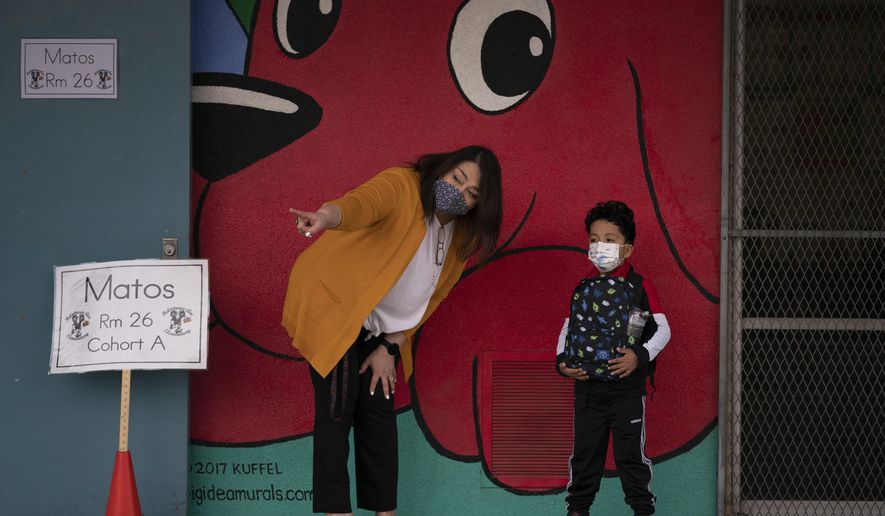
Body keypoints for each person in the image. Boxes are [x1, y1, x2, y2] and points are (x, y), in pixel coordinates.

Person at [282, 146, 503, 516]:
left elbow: (435, 295)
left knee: (379, 417)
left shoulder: (461, 236)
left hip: (383, 331)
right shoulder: (403, 186)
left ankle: (385, 512)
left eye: (471, 193)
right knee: (338, 409)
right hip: (339, 311)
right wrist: (324, 216)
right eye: (456, 179)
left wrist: (391, 345)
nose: (458, 193)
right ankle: (338, 512)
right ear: (442, 170)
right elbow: (358, 205)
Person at [555, 201, 671, 516]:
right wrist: (562, 361)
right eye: (594, 239)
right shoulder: (584, 287)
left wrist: (639, 356)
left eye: (610, 239)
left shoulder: (639, 285)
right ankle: (577, 510)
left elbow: (663, 330)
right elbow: (568, 328)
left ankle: (642, 511)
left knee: (630, 458)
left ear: (627, 248)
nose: (600, 246)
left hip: (626, 392)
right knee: (584, 457)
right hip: (588, 391)